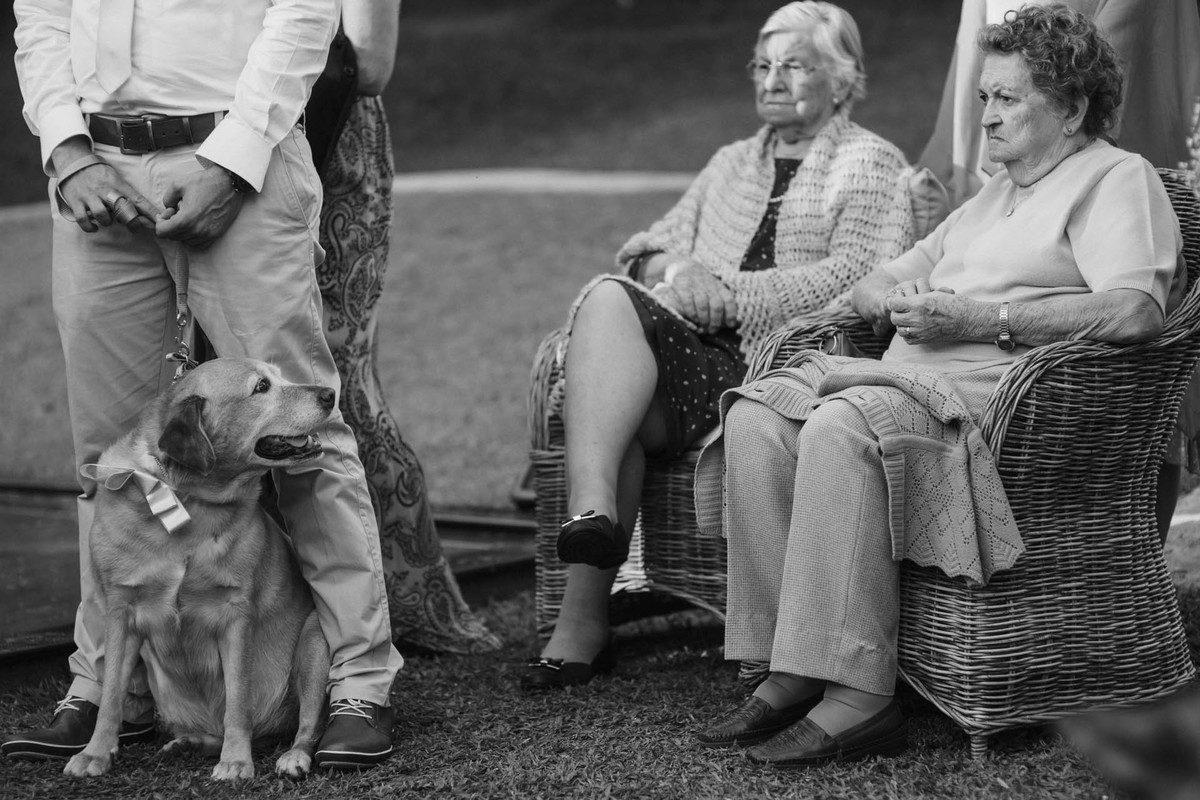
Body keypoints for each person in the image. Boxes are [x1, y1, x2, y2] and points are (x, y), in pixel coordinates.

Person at [694, 4, 1182, 767]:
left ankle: (859, 698)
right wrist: (891, 297)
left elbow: (1135, 310)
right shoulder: (992, 196)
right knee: (759, 420)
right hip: (899, 382)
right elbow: (881, 278)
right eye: (984, 97)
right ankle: (789, 665)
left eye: (1007, 98)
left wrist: (981, 318)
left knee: (842, 426)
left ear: (1072, 108)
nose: (985, 117)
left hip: (999, 408)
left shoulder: (1116, 179)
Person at [4, 0, 402, 772]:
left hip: (239, 156)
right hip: (95, 173)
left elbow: (305, 11)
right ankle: (110, 684)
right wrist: (67, 151)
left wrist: (232, 161)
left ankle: (356, 682)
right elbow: (43, 15)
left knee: (303, 436)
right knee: (110, 459)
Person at [522, 1, 917, 690]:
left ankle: (581, 618)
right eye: (762, 65)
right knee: (611, 294)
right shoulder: (733, 161)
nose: (772, 79)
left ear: (842, 78)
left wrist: (727, 292)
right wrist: (679, 270)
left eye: (794, 65)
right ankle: (592, 524)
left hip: (781, 368)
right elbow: (645, 248)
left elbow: (858, 274)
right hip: (692, 359)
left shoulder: (872, 162)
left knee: (614, 380)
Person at [315, 0, 500, 654]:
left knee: (337, 377)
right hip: (226, 152)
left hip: (327, 144)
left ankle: (413, 598)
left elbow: (368, 64)